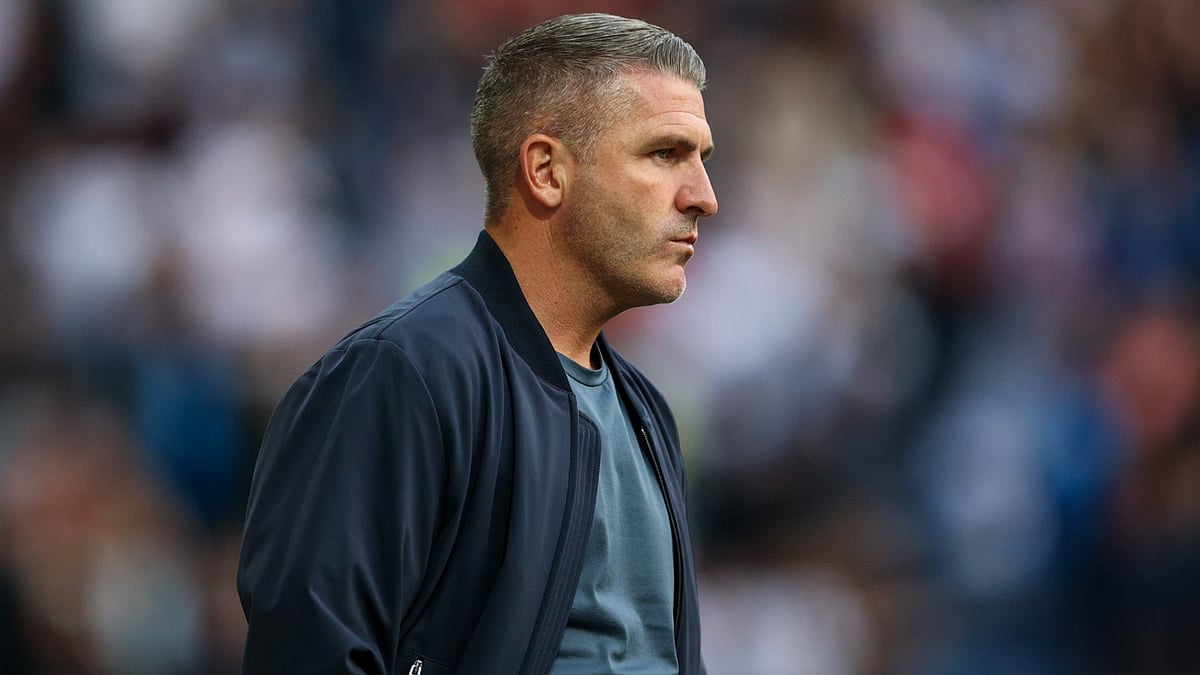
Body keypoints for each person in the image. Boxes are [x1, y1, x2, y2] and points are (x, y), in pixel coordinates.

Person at [237, 12, 718, 675]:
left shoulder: (647, 410)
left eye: (702, 159)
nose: (704, 197)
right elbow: (311, 652)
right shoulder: (403, 373)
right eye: (664, 153)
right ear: (547, 171)